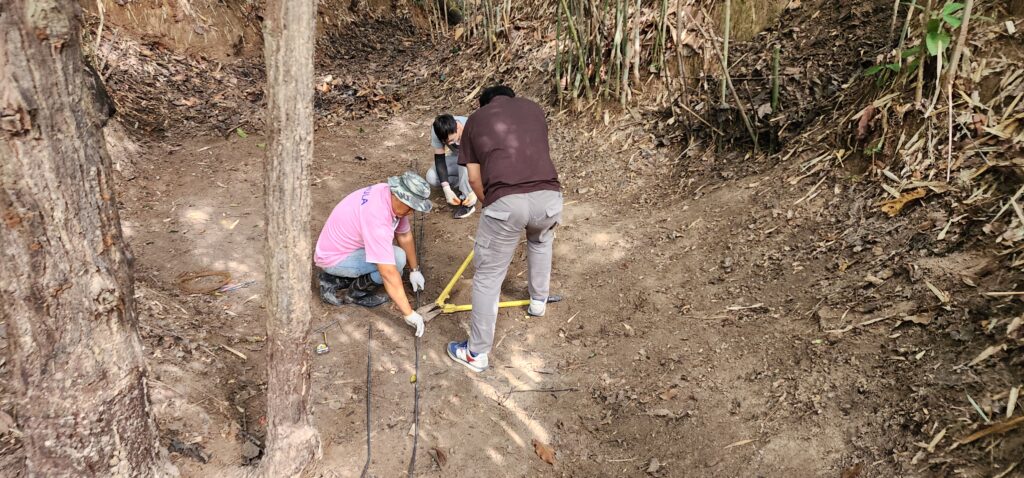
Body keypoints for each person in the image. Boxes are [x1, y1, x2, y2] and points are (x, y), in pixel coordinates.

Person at [446, 85, 563, 372]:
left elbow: (474, 179)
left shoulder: (476, 119)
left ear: (484, 104)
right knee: (540, 242)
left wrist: (491, 203)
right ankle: (538, 302)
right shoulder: (534, 109)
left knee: (488, 275)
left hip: (506, 202)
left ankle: (476, 354)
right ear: (512, 99)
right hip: (550, 197)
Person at [314, 172, 432, 336]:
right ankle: (355, 294)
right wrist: (409, 313)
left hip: (339, 247)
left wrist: (414, 270)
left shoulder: (388, 194)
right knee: (396, 260)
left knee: (396, 258)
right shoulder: (377, 220)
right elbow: (388, 273)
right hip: (334, 258)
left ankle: (339, 278)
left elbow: (404, 235)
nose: (411, 212)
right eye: (411, 207)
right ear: (399, 197)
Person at [428, 114, 477, 219]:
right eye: (445, 142)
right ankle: (462, 184)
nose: (449, 144)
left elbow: (488, 161)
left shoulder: (474, 129)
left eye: (451, 140)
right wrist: (446, 189)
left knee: (464, 160)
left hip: (478, 162)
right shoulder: (437, 129)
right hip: (458, 158)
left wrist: (477, 190)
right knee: (432, 177)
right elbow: (440, 159)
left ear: (458, 128)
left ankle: (467, 200)